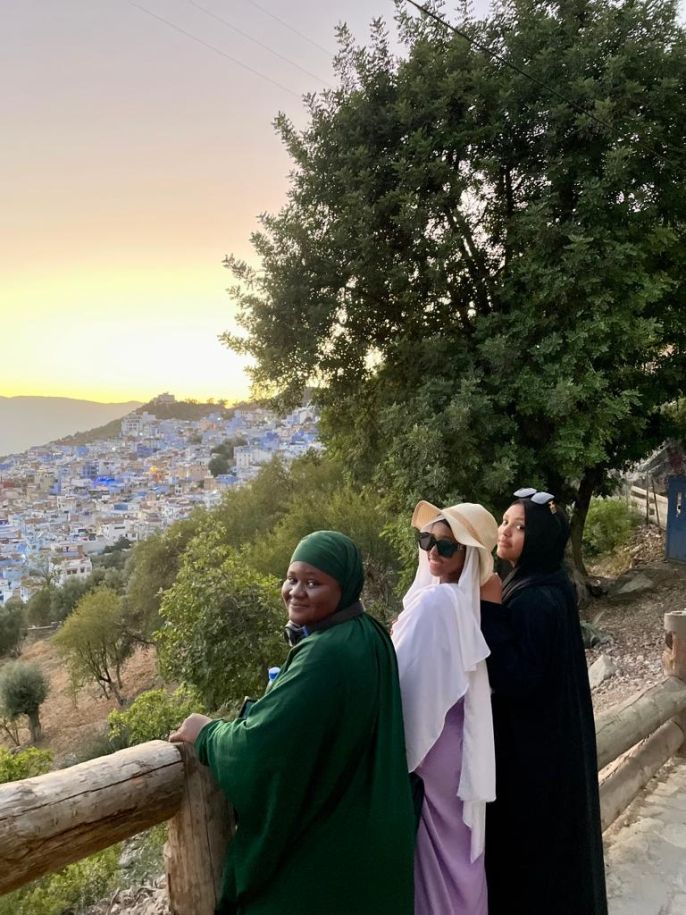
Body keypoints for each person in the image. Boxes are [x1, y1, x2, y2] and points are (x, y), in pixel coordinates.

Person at [169, 530, 415, 915]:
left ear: (344, 587)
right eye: (292, 579)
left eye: (314, 583)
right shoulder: (367, 633)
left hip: (330, 854)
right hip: (369, 835)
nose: (296, 592)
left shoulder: (325, 654)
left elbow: (259, 752)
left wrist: (208, 734)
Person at [481, 488, 608, 915]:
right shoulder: (544, 582)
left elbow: (519, 677)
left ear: (539, 539)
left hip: (535, 759)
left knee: (532, 864)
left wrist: (491, 612)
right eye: (505, 522)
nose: (506, 532)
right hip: (551, 745)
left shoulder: (534, 597)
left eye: (519, 527)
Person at [391, 501, 501, 915]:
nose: (433, 553)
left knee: (437, 854)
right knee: (459, 853)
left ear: (466, 556)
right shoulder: (460, 602)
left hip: (431, 742)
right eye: (427, 541)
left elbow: (404, 679)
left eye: (446, 547)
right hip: (456, 743)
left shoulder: (435, 605)